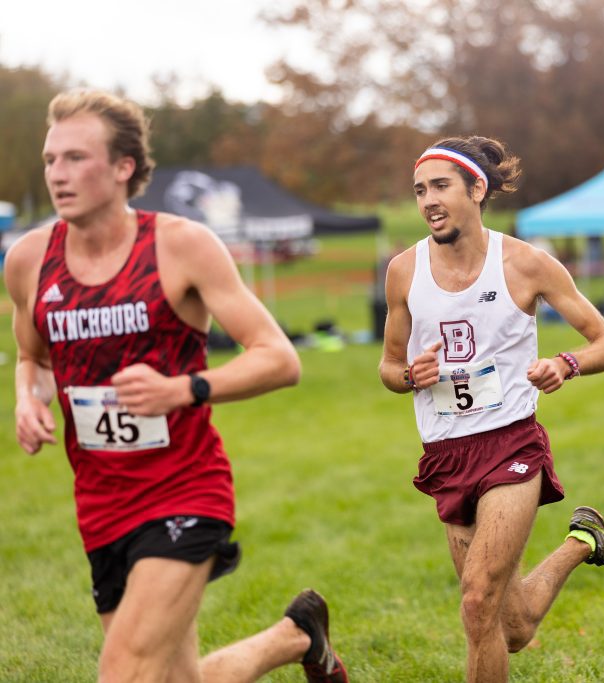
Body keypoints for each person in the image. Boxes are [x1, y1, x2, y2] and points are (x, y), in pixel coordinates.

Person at [4, 90, 347, 682]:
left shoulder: (179, 245)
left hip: (184, 490)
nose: (59, 174)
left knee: (126, 675)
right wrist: (27, 401)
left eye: (76, 158)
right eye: (50, 160)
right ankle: (295, 638)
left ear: (123, 167)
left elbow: (278, 358)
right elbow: (30, 357)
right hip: (100, 503)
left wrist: (183, 388)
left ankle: (294, 638)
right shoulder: (29, 259)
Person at [378, 136, 604, 683]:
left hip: (510, 444)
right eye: (419, 190)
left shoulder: (526, 264)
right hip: (445, 454)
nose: (428, 200)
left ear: (477, 189)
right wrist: (410, 376)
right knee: (513, 627)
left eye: (441, 186)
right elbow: (387, 368)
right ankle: (584, 543)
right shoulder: (403, 273)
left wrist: (566, 364)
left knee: (477, 603)